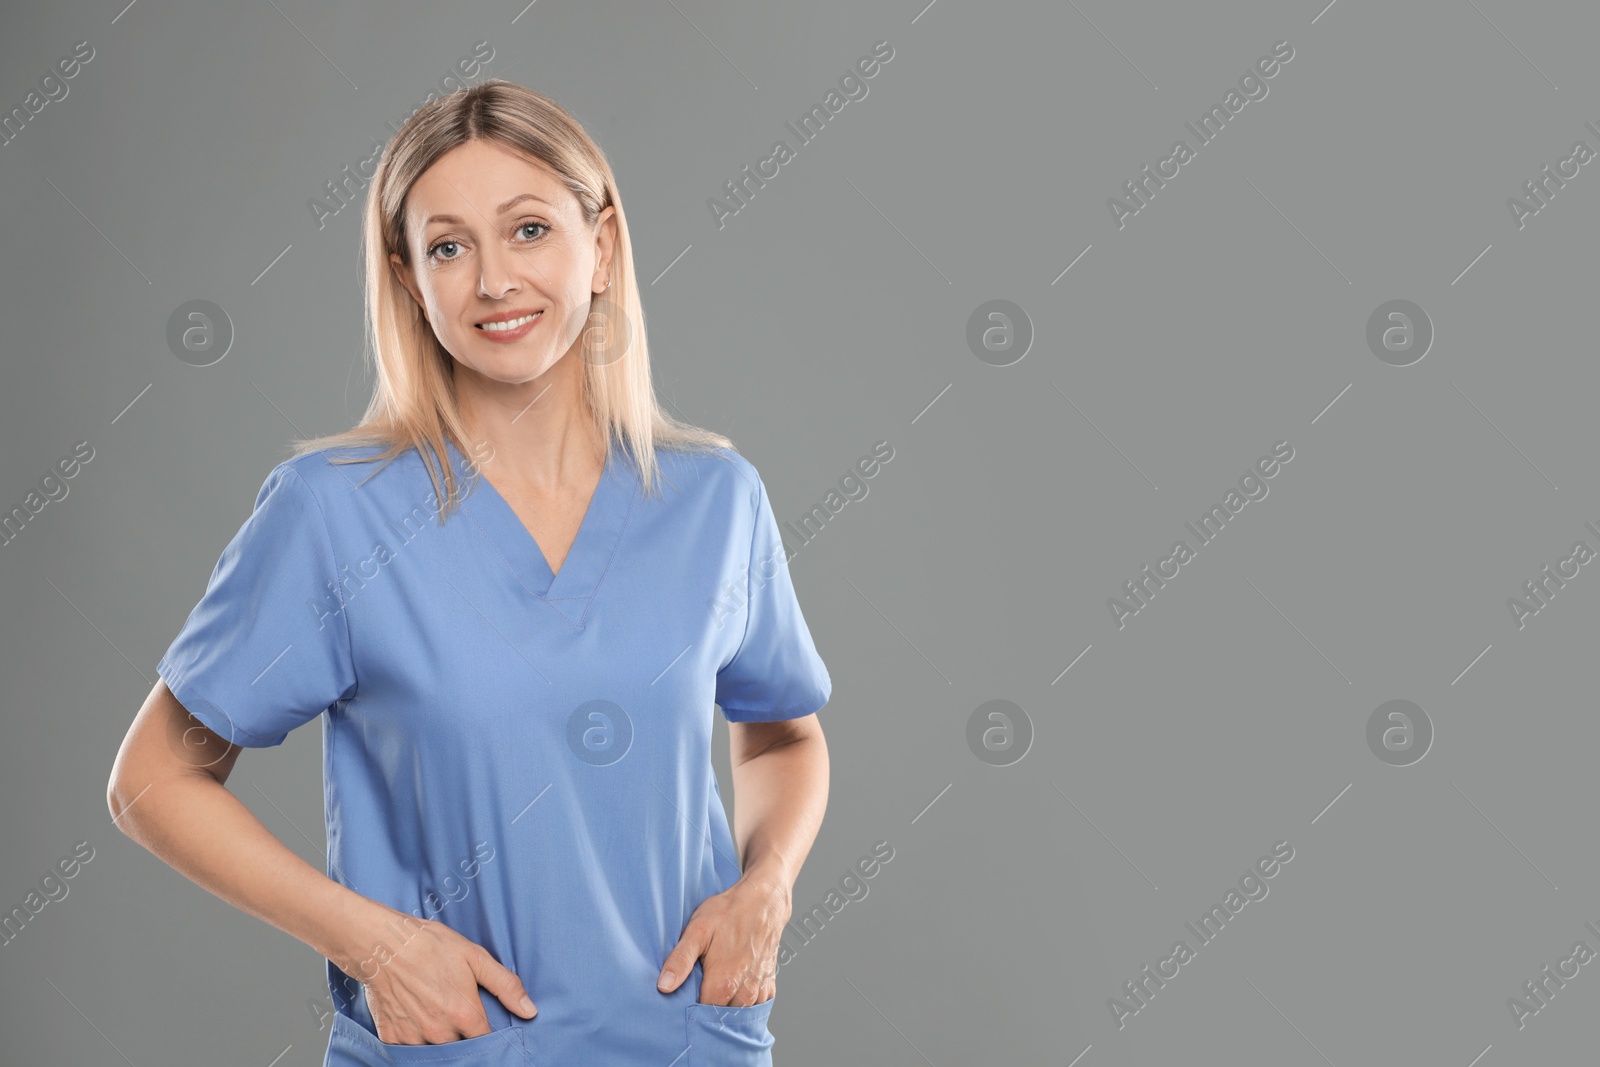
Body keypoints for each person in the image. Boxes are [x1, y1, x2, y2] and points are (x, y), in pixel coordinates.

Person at [105, 79, 832, 1067]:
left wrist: (768, 885)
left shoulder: (715, 500)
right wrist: (374, 943)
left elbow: (782, 734)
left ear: (603, 244)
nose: (493, 280)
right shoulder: (332, 511)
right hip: (455, 1049)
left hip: (685, 1043)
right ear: (408, 279)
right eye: (448, 246)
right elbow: (152, 779)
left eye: (528, 229)